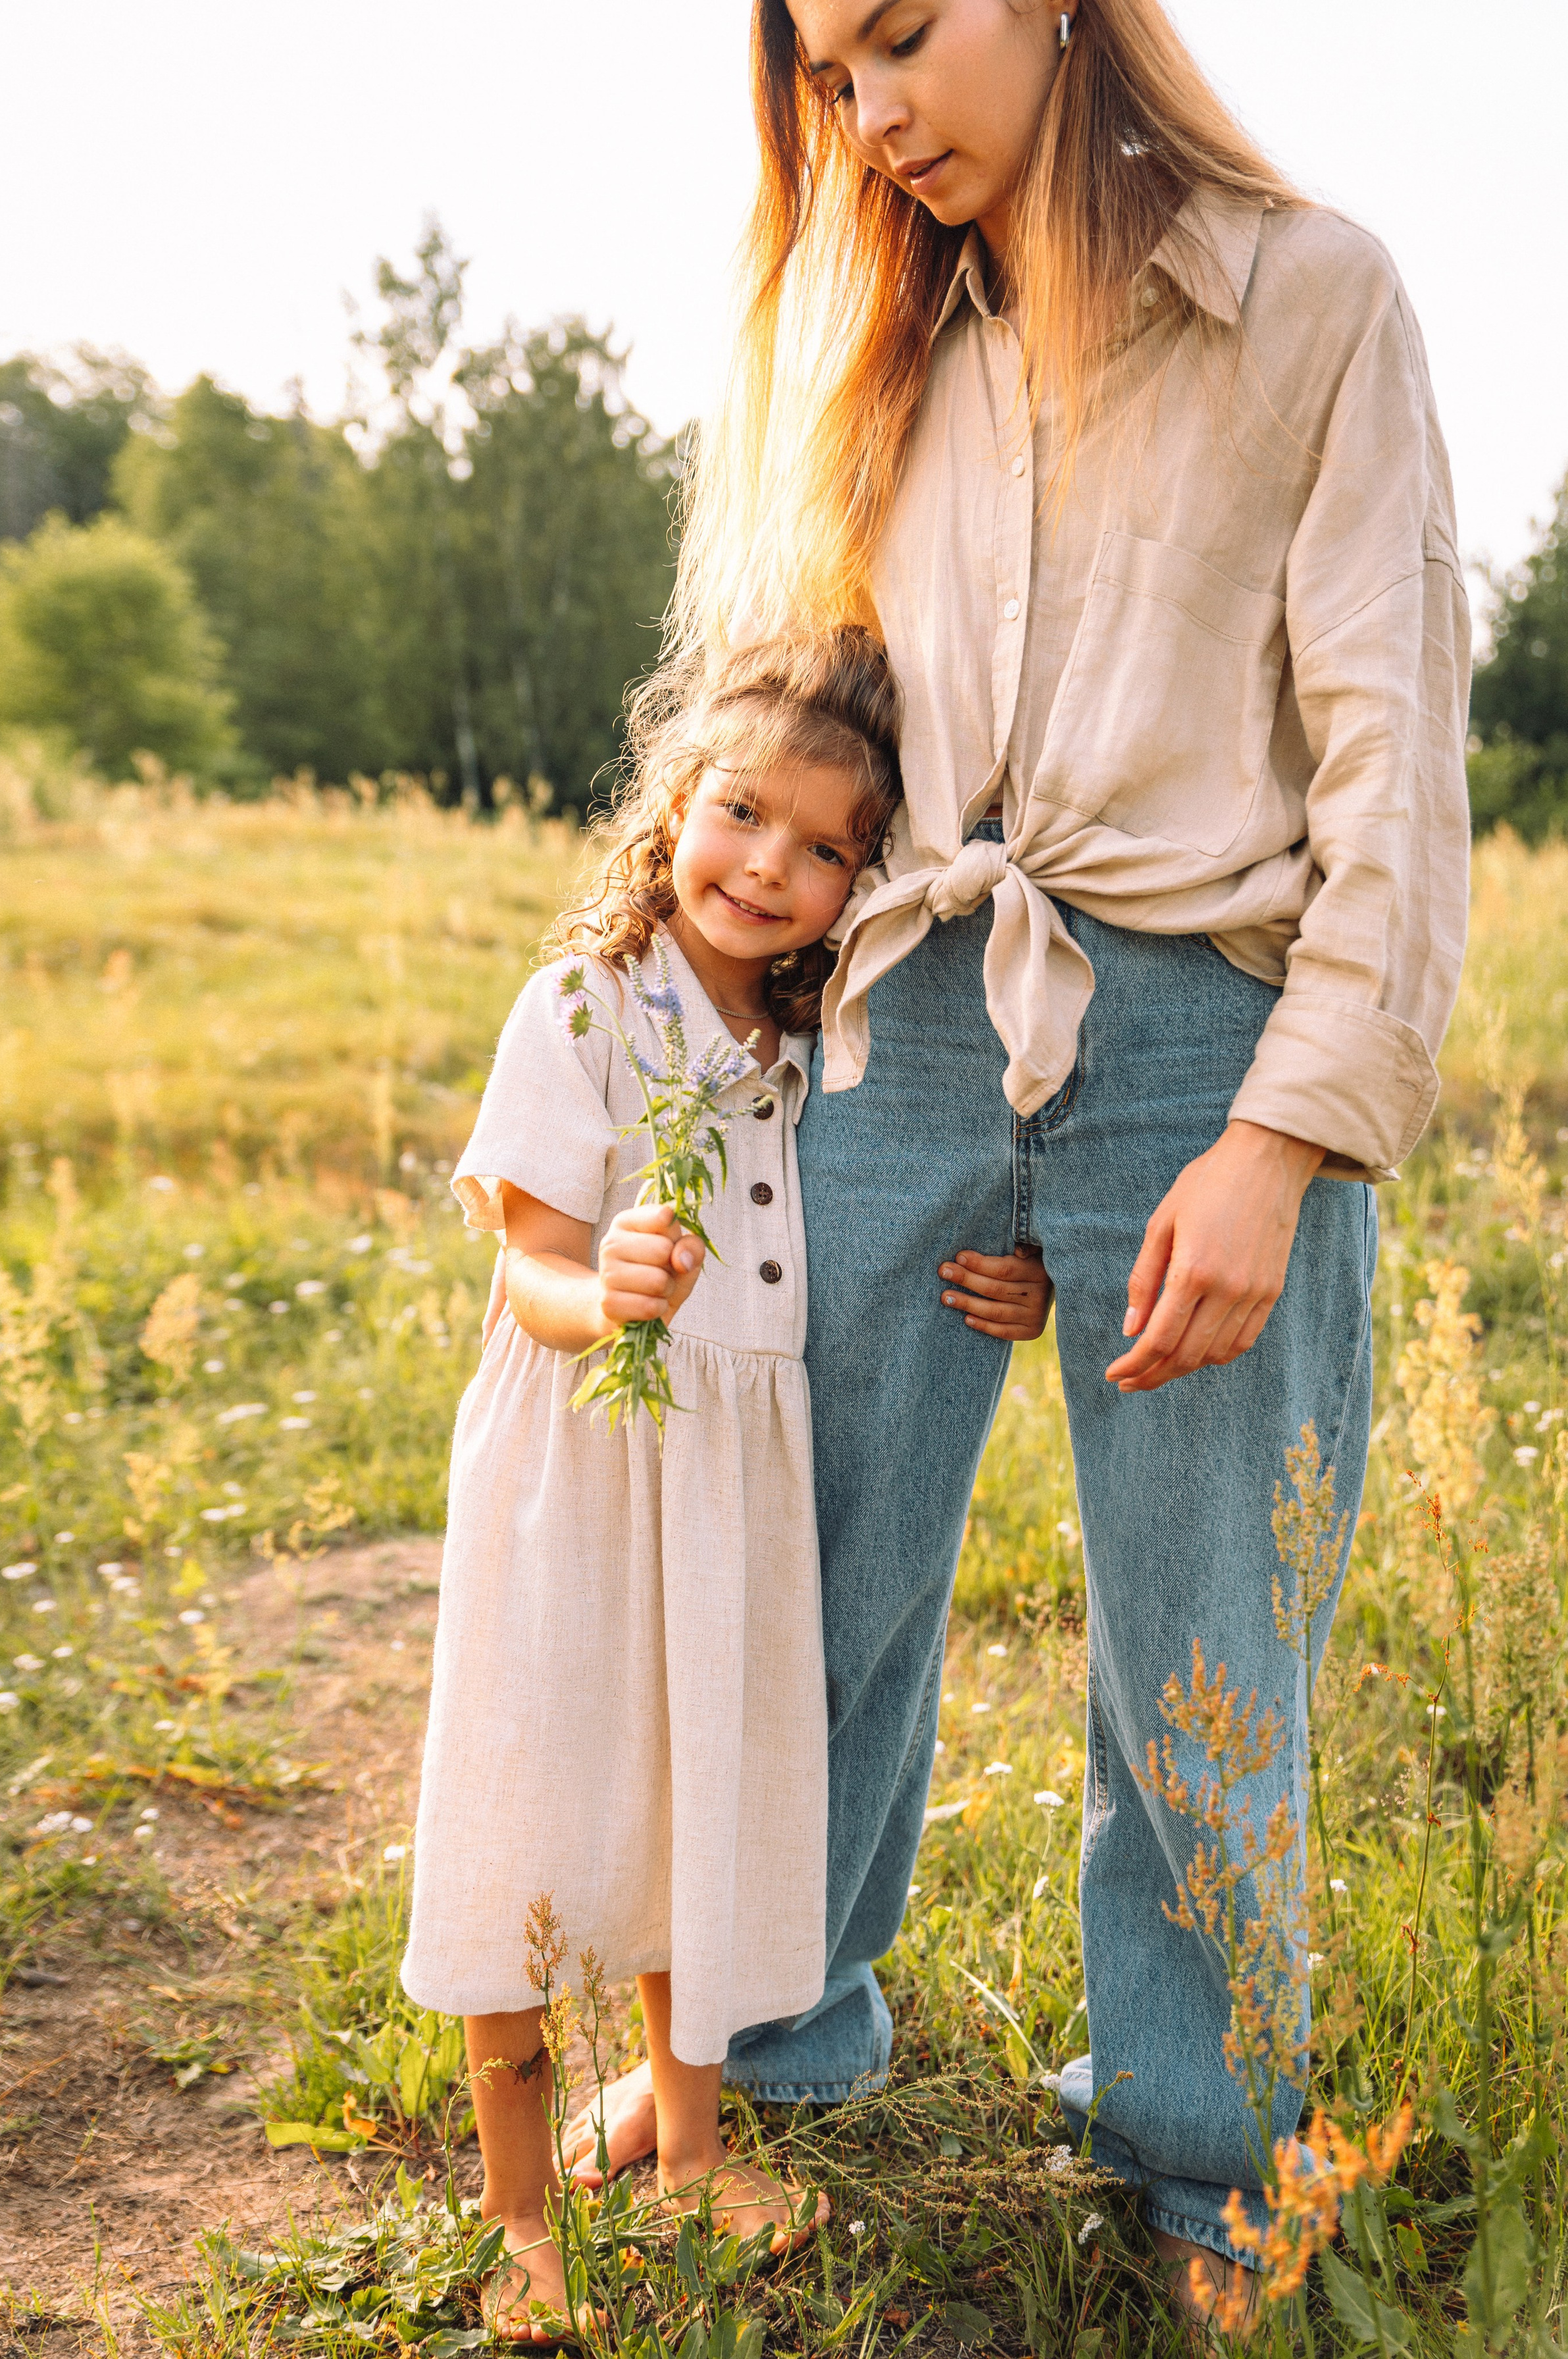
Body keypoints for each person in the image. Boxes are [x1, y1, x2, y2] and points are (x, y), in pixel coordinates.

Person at [561, 0, 1471, 2327]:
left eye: (897, 41)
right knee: (816, 1548)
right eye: (826, 79)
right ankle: (763, 2046)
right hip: (915, 1020)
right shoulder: (897, 359)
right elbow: (802, 766)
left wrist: (1277, 1144)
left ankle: (1202, 2156)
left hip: (1202, 1041)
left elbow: (1393, 765)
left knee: (1200, 1632)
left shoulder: (1322, 296)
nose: (869, 113)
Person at [401, 629, 1053, 2346]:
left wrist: (1020, 1270)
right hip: (585, 1472)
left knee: (702, 1803)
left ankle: (691, 2161)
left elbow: (891, 1217)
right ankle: (523, 2220)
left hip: (727, 1494)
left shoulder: (804, 1045)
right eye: (742, 812)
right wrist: (600, 1282)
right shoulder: (584, 1006)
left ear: (866, 884)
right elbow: (526, 1271)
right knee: (534, 1810)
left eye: (827, 844)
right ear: (672, 804)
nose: (769, 863)